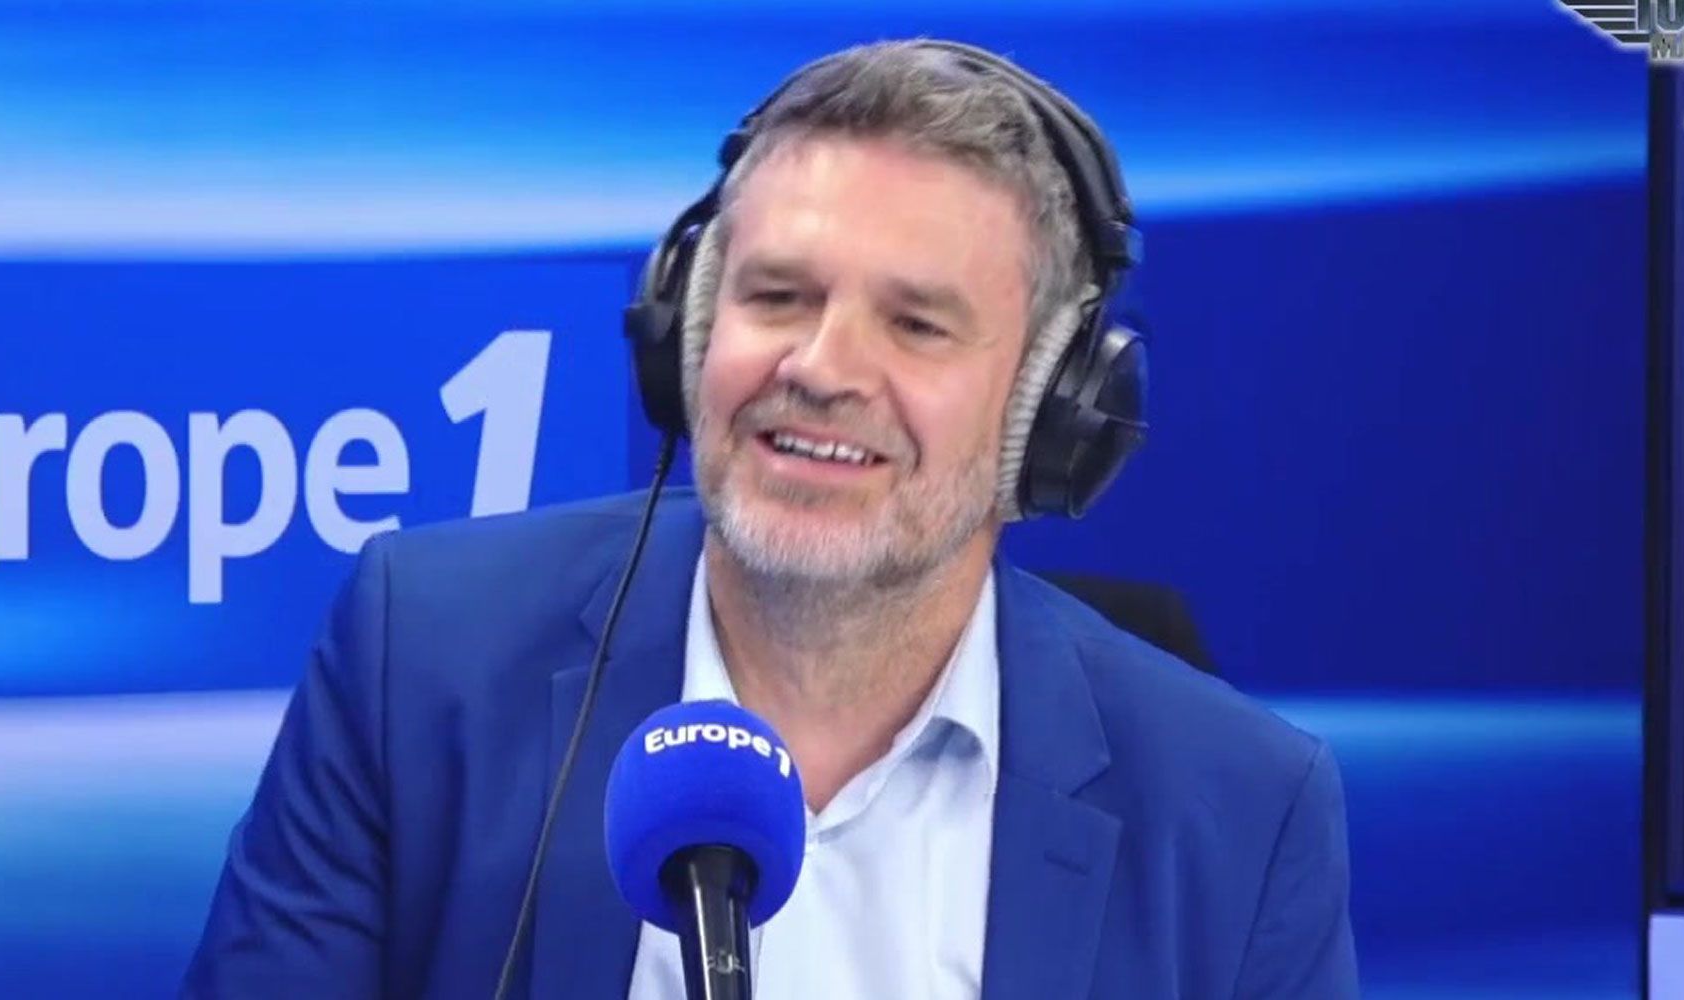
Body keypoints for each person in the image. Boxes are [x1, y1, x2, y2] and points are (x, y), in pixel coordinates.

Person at [183, 38, 1358, 999]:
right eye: (778, 296)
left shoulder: (1238, 815)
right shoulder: (423, 662)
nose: (821, 366)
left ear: (1047, 412)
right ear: (686, 330)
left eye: (916, 325)